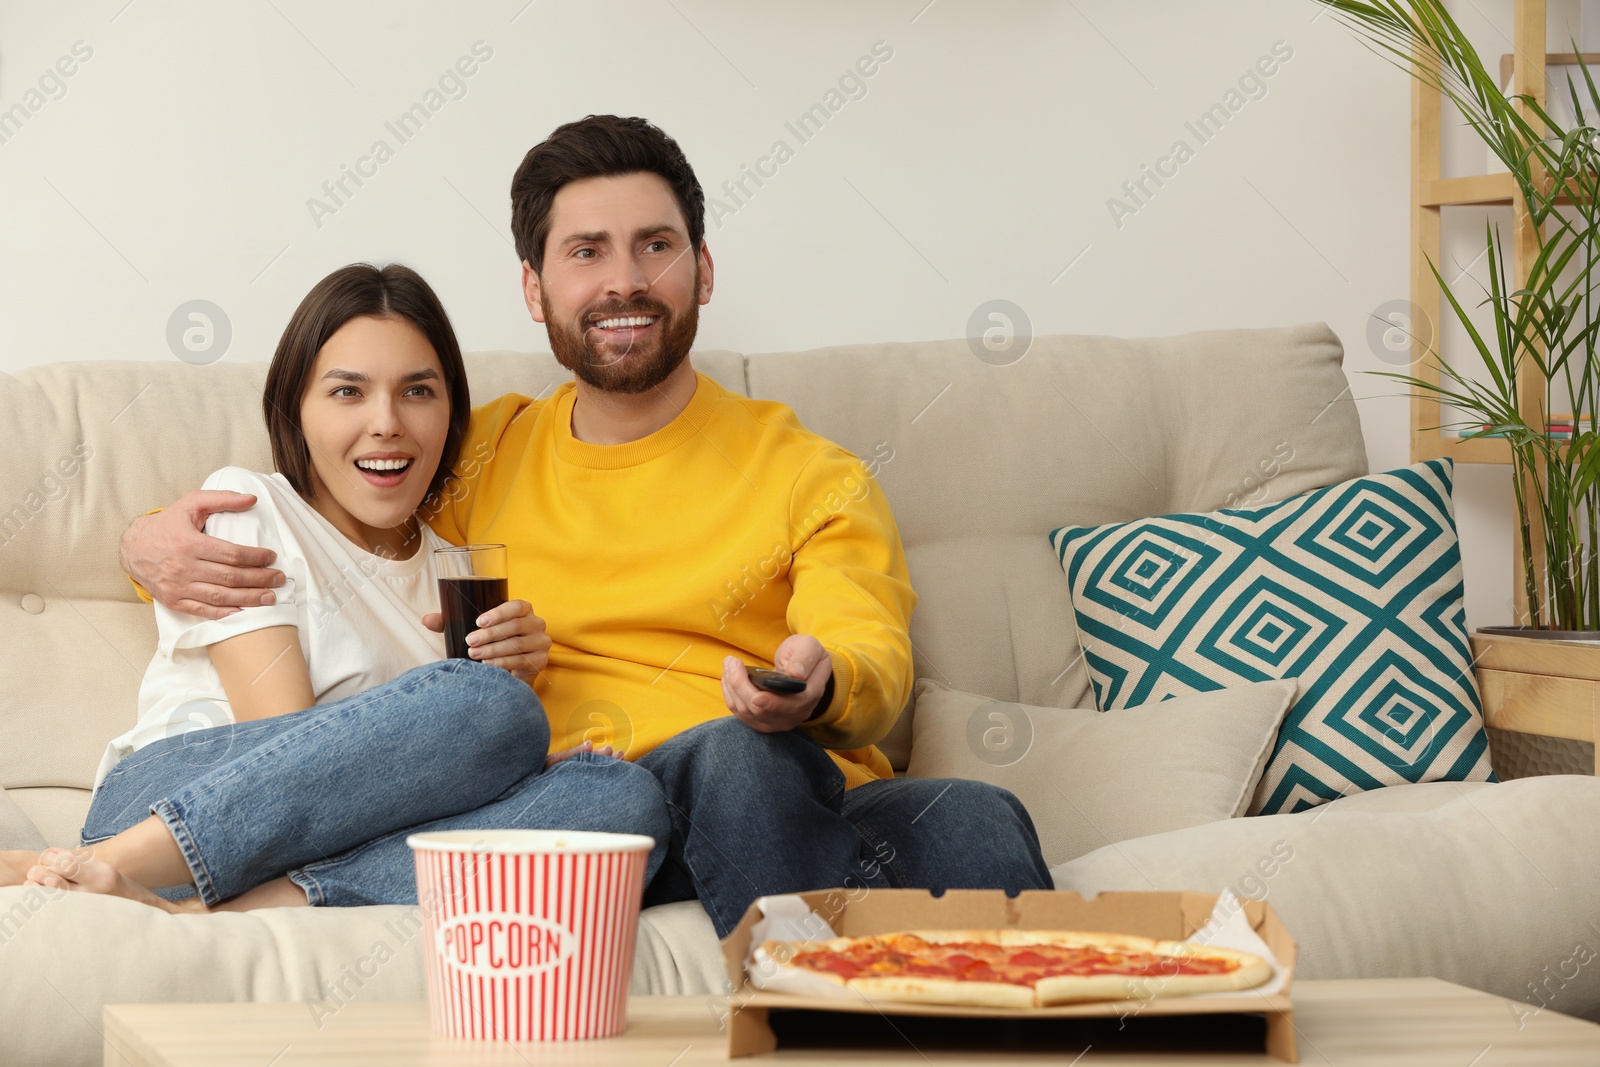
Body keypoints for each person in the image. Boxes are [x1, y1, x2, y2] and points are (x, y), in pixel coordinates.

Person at [119, 116, 1052, 935]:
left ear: (703, 270)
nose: (623, 281)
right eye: (586, 252)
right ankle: (814, 1026)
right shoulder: (481, 450)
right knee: (730, 761)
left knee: (978, 814)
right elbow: (326, 506)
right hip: (586, 797)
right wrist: (147, 540)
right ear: (535, 290)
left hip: (777, 792)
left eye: (655, 246)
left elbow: (869, 650)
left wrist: (822, 680)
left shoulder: (813, 474)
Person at [2, 263, 669, 911]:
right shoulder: (247, 506)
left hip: (297, 859)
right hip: (168, 804)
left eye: (418, 391)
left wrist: (519, 757)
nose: (387, 421)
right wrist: (484, 714)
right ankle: (93, 864)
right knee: (490, 709)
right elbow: (285, 738)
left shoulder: (460, 571)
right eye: (348, 391)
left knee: (622, 798)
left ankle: (227, 915)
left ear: (451, 416)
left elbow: (386, 780)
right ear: (297, 410)